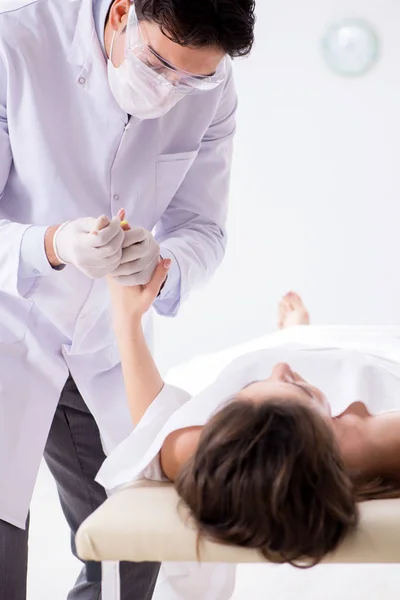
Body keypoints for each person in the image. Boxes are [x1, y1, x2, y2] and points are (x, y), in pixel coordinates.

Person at [0, 0, 256, 598]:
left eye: (192, 79)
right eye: (159, 65)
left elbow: (204, 229)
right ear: (121, 14)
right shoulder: (15, 45)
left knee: (137, 545)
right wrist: (52, 246)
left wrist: (163, 267)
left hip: (96, 346)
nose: (171, 93)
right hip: (9, 322)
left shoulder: (208, 85)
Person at [97, 259, 400, 597]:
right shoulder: (378, 439)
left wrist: (127, 321)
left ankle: (293, 338)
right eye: (295, 386)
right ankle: (298, 338)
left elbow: (154, 417)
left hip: (250, 369)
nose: (283, 368)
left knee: (258, 364)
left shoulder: (191, 449)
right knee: (290, 359)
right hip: (364, 359)